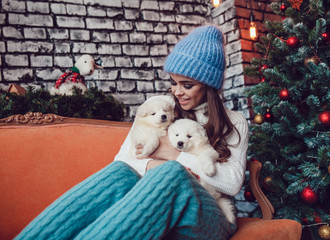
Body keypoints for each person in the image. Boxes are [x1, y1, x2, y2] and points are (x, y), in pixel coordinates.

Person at [15, 24, 249, 240]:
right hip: (169, 207)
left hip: (213, 216)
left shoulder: (235, 122)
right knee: (120, 173)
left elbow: (232, 183)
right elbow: (123, 160)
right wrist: (151, 164)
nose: (177, 92)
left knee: (171, 174)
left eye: (187, 85)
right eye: (173, 82)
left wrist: (173, 155)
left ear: (209, 86)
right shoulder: (163, 109)